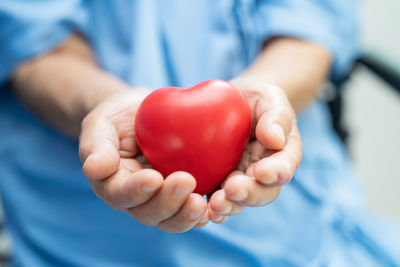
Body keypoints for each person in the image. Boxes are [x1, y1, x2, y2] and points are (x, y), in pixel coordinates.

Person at [0, 1, 399, 266]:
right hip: (81, 240)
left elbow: (308, 35)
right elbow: (35, 51)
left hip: (300, 227)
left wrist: (262, 99)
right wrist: (105, 102)